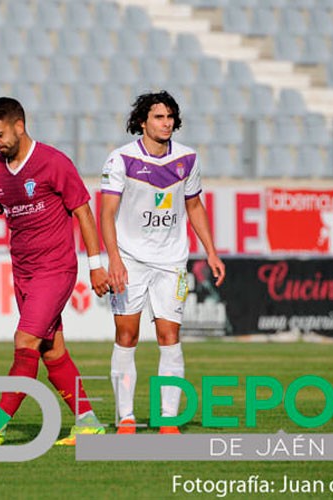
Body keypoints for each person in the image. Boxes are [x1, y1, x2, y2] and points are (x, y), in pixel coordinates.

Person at [0, 97, 110, 446]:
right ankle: (89, 423)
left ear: (19, 126)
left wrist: (96, 266)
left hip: (55, 269)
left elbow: (83, 213)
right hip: (23, 272)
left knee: (24, 342)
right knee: (51, 351)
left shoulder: (53, 163)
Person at [100, 91, 225, 435]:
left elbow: (195, 207)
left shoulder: (188, 159)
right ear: (142, 121)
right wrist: (113, 259)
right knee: (127, 335)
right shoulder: (120, 160)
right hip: (130, 259)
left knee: (169, 335)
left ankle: (168, 417)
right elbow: (106, 213)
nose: (166, 123)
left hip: (172, 261)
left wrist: (211, 251)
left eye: (170, 117)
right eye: (158, 117)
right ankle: (125, 416)